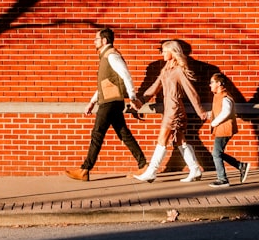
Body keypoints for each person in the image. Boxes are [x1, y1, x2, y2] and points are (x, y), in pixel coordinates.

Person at [65, 28, 148, 181]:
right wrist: (92, 101)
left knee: (97, 133)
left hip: (110, 102)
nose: (94, 42)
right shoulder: (105, 57)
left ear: (104, 40)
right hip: (110, 101)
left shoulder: (111, 56)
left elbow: (126, 75)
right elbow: (105, 83)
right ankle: (143, 164)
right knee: (124, 134)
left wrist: (132, 97)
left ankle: (85, 169)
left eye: (96, 39)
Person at [134, 39, 211, 183]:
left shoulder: (178, 70)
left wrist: (200, 110)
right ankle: (194, 169)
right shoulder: (166, 69)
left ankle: (151, 171)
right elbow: (155, 86)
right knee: (180, 141)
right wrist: (141, 101)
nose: (162, 53)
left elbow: (191, 91)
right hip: (169, 108)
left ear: (172, 52)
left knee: (162, 139)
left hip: (174, 109)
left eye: (164, 50)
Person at [207, 72, 250, 187]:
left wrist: (214, 122)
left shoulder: (225, 97)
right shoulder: (218, 96)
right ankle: (241, 166)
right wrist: (208, 115)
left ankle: (222, 179)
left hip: (224, 129)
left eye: (212, 82)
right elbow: (219, 110)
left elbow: (226, 111)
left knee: (216, 153)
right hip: (221, 128)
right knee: (218, 153)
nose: (210, 85)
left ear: (219, 83)